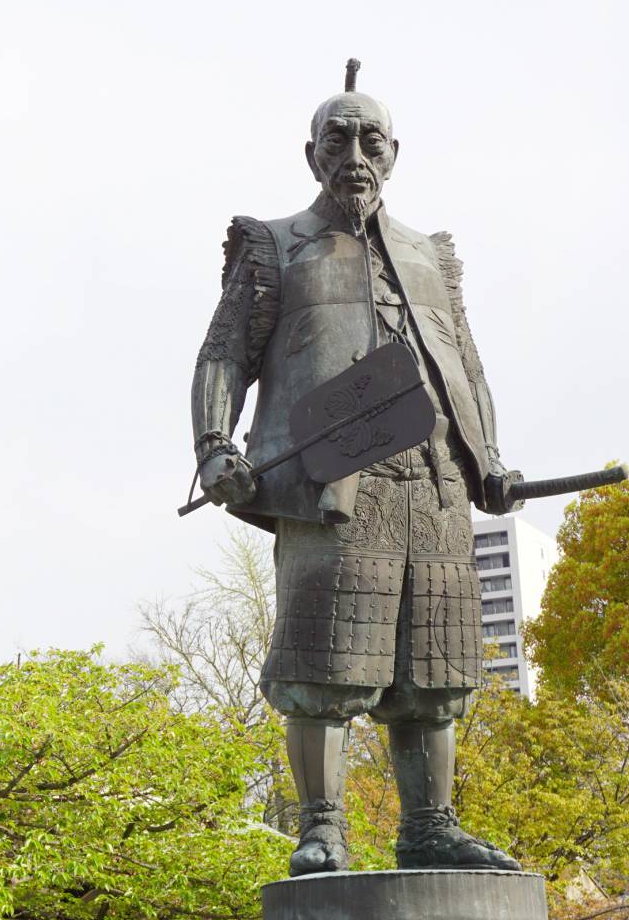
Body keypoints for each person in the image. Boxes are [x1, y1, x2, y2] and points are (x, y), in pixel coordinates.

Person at [189, 60, 521, 874]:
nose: (355, 155)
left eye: (371, 139)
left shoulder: (430, 255)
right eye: (336, 140)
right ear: (311, 156)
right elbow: (222, 354)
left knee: (433, 670)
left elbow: (466, 365)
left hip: (435, 485)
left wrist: (493, 460)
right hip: (328, 482)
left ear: (396, 153)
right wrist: (214, 446)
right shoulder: (274, 246)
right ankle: (323, 824)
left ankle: (430, 823)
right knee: (322, 664)